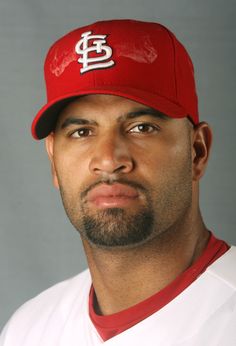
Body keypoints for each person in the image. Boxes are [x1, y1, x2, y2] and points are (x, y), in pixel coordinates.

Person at [1, 19, 235, 345]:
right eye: (81, 132)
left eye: (141, 127)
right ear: (54, 160)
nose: (109, 159)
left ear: (197, 151)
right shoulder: (28, 329)